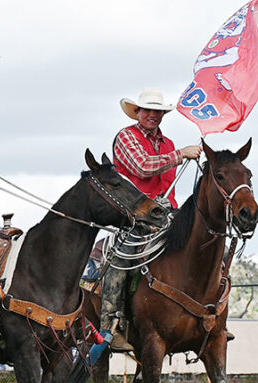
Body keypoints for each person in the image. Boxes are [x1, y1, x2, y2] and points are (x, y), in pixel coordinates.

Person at [100, 87, 202, 351]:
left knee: (202, 244)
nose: (153, 115)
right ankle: (110, 323)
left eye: (158, 111)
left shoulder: (167, 144)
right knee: (121, 258)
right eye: (148, 110)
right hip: (134, 214)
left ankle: (205, 314)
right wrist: (181, 155)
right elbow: (142, 166)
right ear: (138, 112)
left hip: (167, 214)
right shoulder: (126, 137)